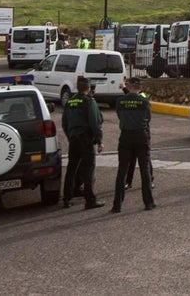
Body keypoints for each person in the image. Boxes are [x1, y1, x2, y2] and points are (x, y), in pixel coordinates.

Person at [112, 78, 155, 212]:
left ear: (129, 86)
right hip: (141, 136)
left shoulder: (120, 101)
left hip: (125, 136)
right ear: (140, 87)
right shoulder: (143, 101)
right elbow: (148, 117)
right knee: (144, 170)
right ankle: (148, 203)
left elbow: (119, 115)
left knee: (122, 170)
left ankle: (117, 205)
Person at [62, 79, 106, 210]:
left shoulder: (70, 102)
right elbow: (95, 123)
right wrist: (99, 140)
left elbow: (64, 123)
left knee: (71, 168)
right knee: (88, 169)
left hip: (74, 138)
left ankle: (67, 199)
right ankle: (90, 200)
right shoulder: (89, 101)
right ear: (88, 88)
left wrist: (70, 136)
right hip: (85, 138)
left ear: (77, 87)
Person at [123, 83, 155, 190]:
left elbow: (148, 116)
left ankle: (150, 180)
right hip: (134, 132)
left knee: (146, 159)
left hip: (142, 130)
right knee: (131, 159)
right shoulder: (131, 97)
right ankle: (128, 181)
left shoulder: (143, 96)